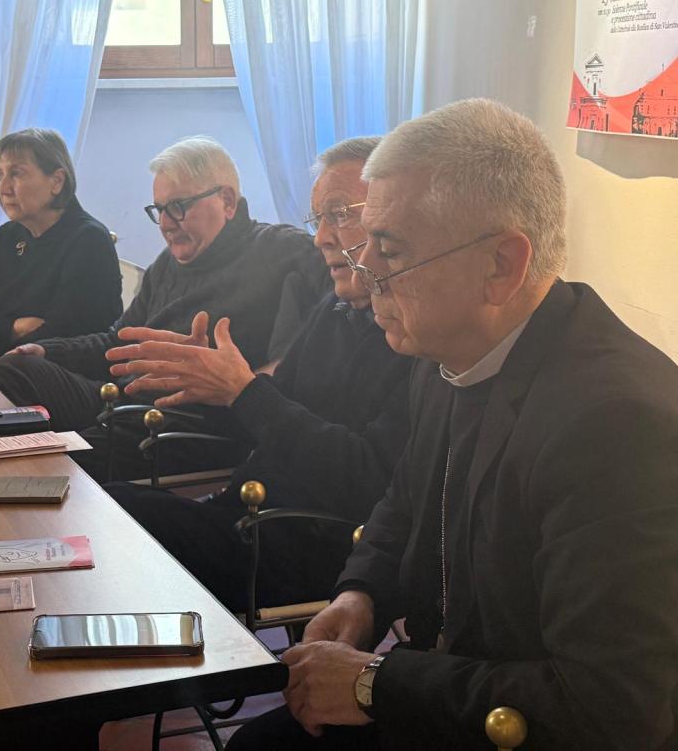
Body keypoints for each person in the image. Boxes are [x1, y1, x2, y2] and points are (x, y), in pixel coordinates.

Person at [228, 99, 678, 750]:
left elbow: (612, 708)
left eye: (389, 248)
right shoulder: (447, 347)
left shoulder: (615, 425)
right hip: (452, 689)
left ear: (501, 265)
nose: (364, 270)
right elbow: (407, 500)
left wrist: (375, 684)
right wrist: (361, 593)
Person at [100, 137, 413, 611]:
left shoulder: (416, 342)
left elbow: (366, 478)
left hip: (312, 541)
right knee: (100, 507)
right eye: (319, 219)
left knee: (108, 523)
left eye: (341, 213)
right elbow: (274, 406)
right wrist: (208, 377)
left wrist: (243, 390)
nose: (322, 238)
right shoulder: (335, 309)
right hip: (247, 510)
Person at [0, 135, 329, 479]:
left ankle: (32, 489)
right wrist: (47, 352)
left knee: (61, 463)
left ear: (226, 201)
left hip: (190, 424)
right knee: (15, 369)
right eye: (159, 209)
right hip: (124, 402)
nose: (166, 223)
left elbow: (330, 332)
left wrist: (252, 379)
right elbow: (117, 341)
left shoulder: (285, 250)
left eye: (178, 206)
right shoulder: (167, 264)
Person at [0, 128, 122, 368]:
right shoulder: (8, 236)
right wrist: (17, 327)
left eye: (16, 174)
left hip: (60, 379)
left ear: (57, 181)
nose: (3, 188)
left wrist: (2, 330)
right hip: (7, 366)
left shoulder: (88, 240)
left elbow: (63, 339)